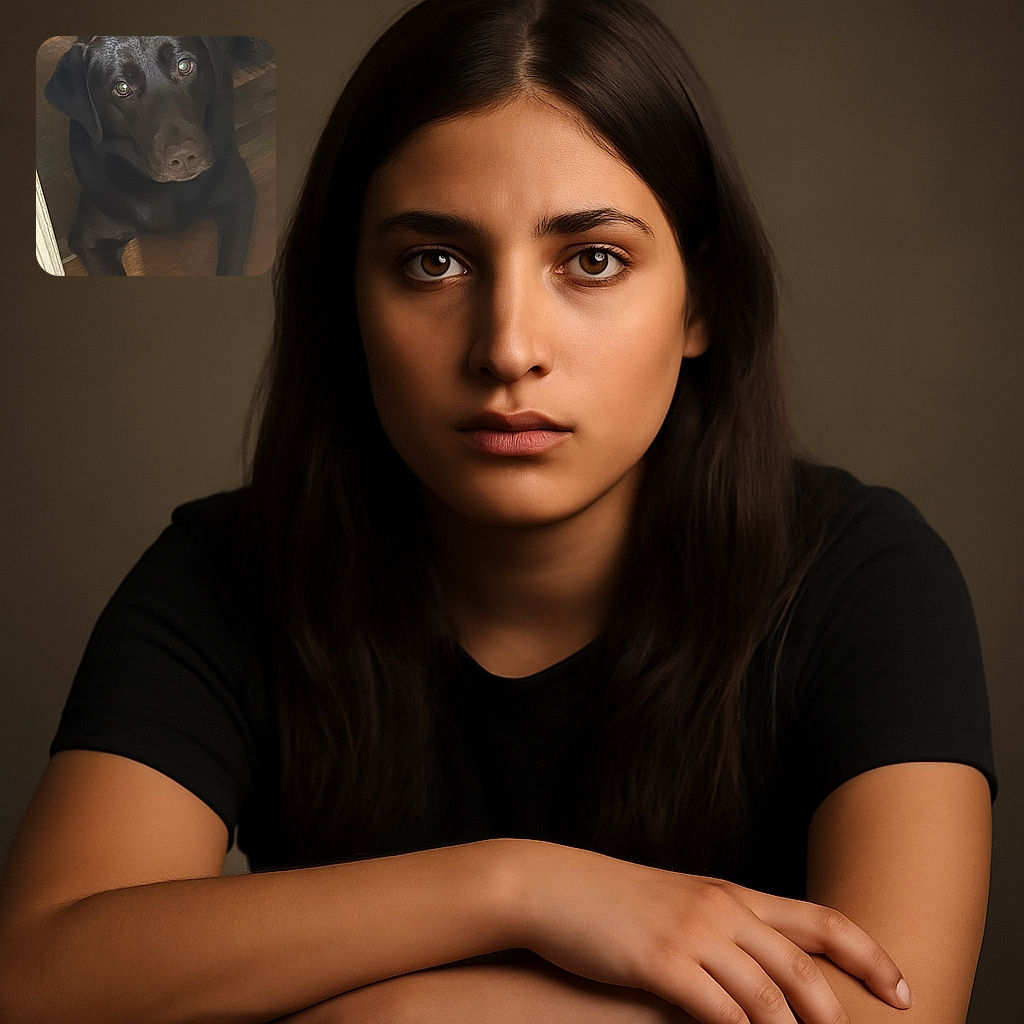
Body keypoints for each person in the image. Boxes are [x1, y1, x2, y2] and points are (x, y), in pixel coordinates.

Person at [0, 1, 995, 1022]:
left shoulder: (862, 575)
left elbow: (893, 1013)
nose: (508, 346)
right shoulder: (225, 574)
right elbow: (39, 978)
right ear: (348, 301)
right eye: (434, 261)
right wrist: (518, 889)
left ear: (702, 302)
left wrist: (391, 1016)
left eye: (592, 259)